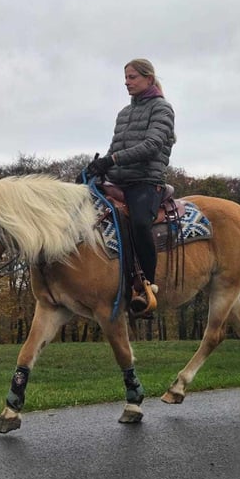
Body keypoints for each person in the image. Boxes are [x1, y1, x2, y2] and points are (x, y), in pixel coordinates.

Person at [86, 58, 176, 315]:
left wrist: (112, 160)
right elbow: (114, 149)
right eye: (125, 77)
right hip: (120, 179)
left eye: (132, 77)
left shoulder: (162, 109)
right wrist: (100, 166)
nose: (127, 82)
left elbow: (152, 145)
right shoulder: (123, 114)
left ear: (149, 78)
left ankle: (145, 285)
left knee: (138, 222)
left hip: (146, 181)